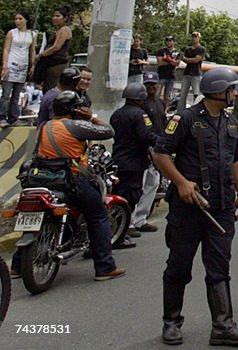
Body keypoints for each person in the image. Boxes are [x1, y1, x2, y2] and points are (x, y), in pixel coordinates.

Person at [153, 67, 238, 346]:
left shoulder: (230, 121)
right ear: (219, 92)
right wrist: (182, 183)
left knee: (219, 266)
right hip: (188, 209)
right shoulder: (184, 119)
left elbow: (235, 160)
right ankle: (171, 322)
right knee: (178, 266)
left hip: (221, 206)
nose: (235, 94)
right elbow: (161, 154)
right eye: (232, 89)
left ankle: (222, 326)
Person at [17, 90, 126, 282]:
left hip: (40, 179)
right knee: (98, 214)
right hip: (69, 180)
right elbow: (109, 131)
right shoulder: (76, 126)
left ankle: (17, 267)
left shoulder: (44, 126)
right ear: (74, 109)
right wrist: (91, 116)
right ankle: (105, 266)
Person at [110, 81, 160, 249]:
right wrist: (163, 142)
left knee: (119, 196)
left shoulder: (117, 114)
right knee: (131, 197)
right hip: (134, 161)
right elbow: (146, 136)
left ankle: (118, 231)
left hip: (119, 160)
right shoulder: (140, 115)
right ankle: (121, 233)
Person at [132, 71, 166, 234]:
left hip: (158, 145)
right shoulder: (141, 104)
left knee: (153, 182)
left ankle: (140, 218)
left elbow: (164, 124)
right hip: (145, 146)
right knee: (140, 183)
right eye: (148, 85)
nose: (151, 87)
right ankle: (131, 221)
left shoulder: (160, 103)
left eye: (153, 84)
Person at [2, 11, 36, 127]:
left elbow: (32, 50)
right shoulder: (11, 33)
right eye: (16, 19)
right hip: (11, 63)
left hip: (23, 65)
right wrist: (5, 65)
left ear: (26, 20)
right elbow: (6, 49)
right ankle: (2, 117)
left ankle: (13, 118)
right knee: (6, 94)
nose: (17, 21)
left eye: (20, 19)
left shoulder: (31, 34)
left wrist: (33, 64)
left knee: (16, 95)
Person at [36, 6, 73, 91]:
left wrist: (41, 55)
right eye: (54, 16)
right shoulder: (59, 30)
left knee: (52, 90)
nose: (55, 18)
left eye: (58, 16)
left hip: (57, 64)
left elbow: (56, 47)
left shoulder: (65, 29)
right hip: (51, 63)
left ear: (65, 18)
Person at [180, 31, 206, 110]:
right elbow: (184, 59)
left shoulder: (201, 49)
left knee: (196, 94)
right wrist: (192, 59)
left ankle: (195, 110)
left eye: (196, 36)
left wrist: (188, 59)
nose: (194, 38)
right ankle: (180, 111)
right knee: (183, 94)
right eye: (193, 36)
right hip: (187, 73)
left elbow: (196, 60)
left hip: (196, 74)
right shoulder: (188, 49)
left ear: (199, 38)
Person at [156, 36, 180, 110]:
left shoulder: (177, 52)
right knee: (156, 94)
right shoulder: (161, 51)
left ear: (174, 42)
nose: (168, 42)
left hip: (171, 76)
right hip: (161, 75)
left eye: (170, 40)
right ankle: (154, 109)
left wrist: (167, 59)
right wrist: (171, 61)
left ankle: (165, 110)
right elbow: (160, 63)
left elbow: (177, 63)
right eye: (167, 40)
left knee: (168, 96)